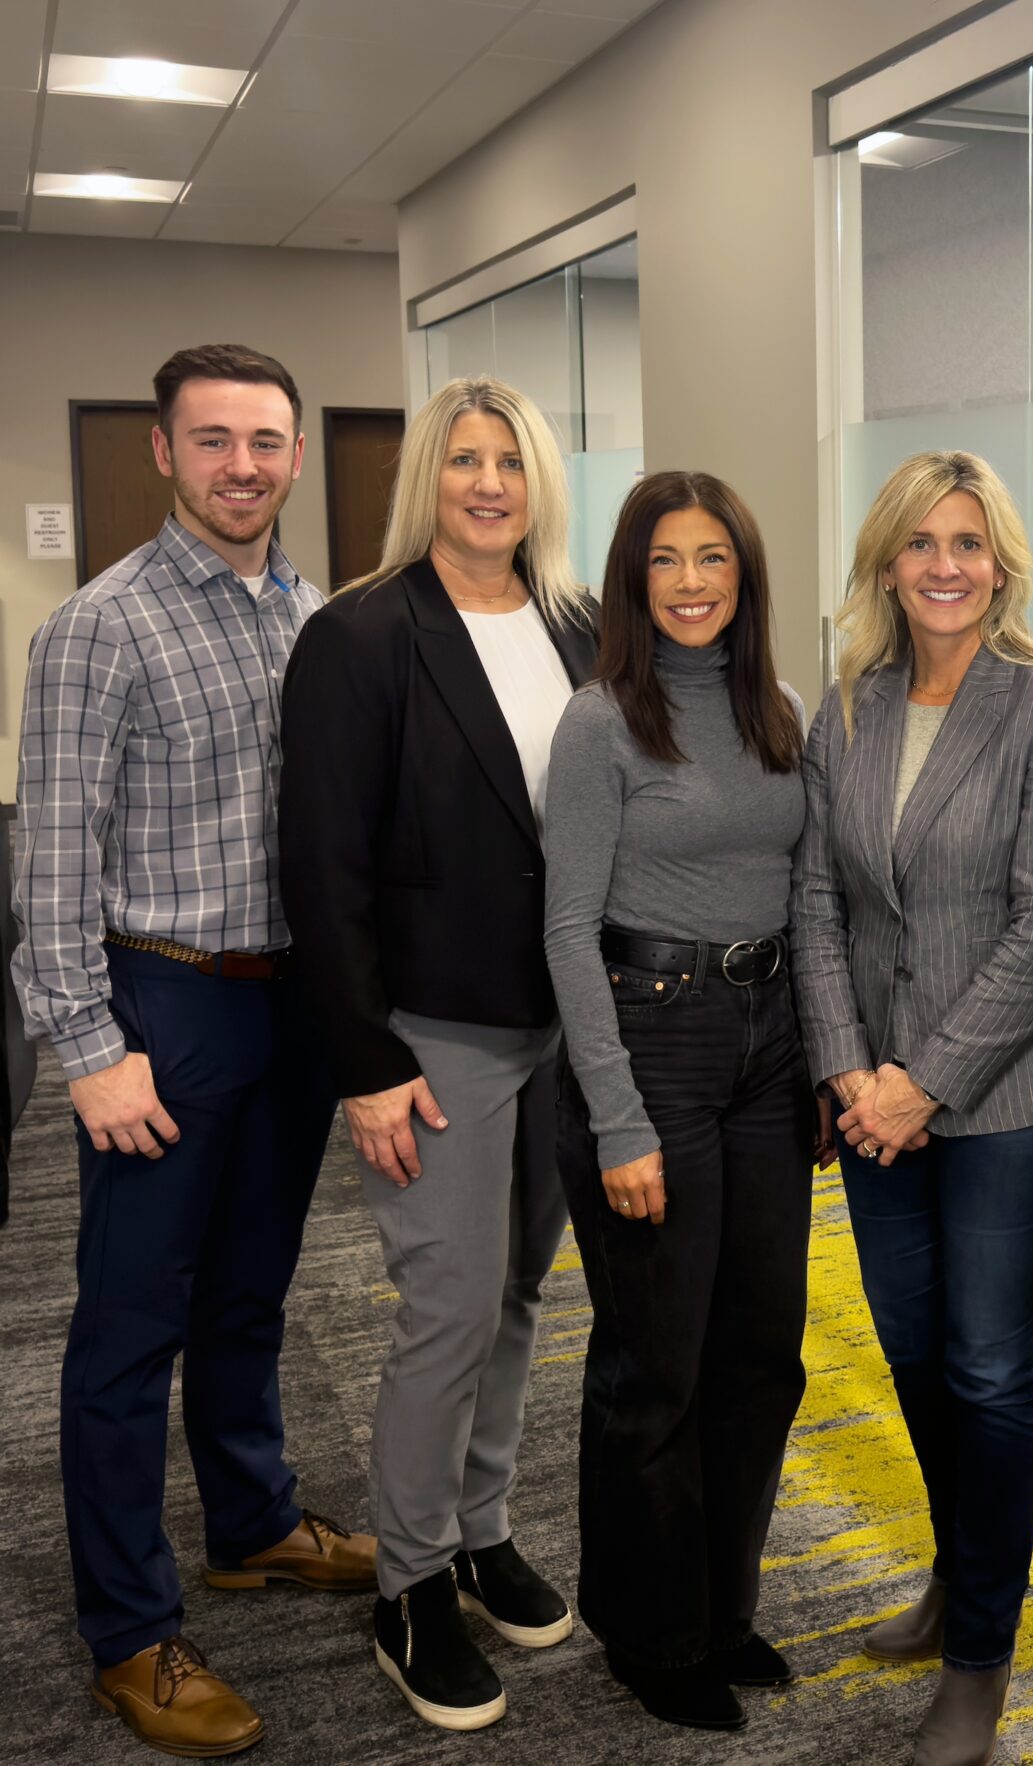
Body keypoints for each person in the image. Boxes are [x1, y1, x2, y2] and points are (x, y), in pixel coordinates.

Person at [13, 344, 376, 1759]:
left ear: (296, 455)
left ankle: (253, 1522)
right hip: (163, 1006)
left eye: (265, 440)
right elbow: (50, 860)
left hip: (291, 1007)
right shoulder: (100, 626)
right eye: (213, 439)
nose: (243, 465)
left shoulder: (314, 615)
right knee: (128, 1328)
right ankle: (128, 1631)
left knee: (249, 1292)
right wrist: (87, 1043)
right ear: (163, 451)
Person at [279, 377, 597, 1732]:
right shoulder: (361, 634)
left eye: (509, 461)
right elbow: (323, 862)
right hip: (434, 1033)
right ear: (430, 477)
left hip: (565, 1024)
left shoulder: (582, 624)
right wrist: (364, 1060)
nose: (487, 484)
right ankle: (407, 1582)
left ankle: (478, 1528)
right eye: (463, 459)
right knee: (448, 1305)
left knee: (519, 1292)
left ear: (539, 482)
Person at [790, 450, 1033, 1766]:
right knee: (914, 1354)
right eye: (921, 542)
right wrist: (849, 1068)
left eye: (968, 542)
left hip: (1008, 1096)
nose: (945, 566)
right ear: (887, 562)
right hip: (873, 1098)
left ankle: (981, 1655)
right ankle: (960, 1568)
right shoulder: (847, 710)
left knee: (986, 1363)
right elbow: (817, 901)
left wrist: (925, 1080)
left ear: (1001, 563)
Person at [544, 470, 818, 1734]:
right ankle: (651, 1632)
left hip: (769, 1045)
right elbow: (565, 927)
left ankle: (721, 1605)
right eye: (666, 559)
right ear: (631, 578)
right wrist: (618, 1117)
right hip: (650, 1036)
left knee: (760, 1350)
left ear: (743, 575)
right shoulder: (600, 721)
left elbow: (807, 896)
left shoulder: (779, 709)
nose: (693, 581)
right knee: (657, 1358)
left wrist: (819, 1063)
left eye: (714, 557)